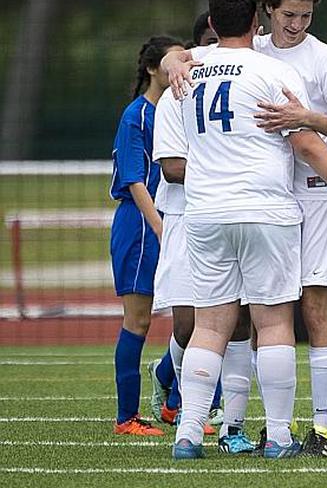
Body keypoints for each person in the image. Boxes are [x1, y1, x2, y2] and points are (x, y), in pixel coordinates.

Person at [161, 0, 327, 456]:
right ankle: (277, 435)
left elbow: (171, 63)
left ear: (210, 24)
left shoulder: (185, 74)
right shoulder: (270, 72)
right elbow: (306, 144)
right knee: (273, 322)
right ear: (257, 21)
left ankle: (189, 432)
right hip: (265, 210)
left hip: (206, 212)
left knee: (210, 324)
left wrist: (174, 59)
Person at [147, 12, 224, 440]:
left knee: (240, 319)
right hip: (184, 213)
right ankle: (171, 380)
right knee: (188, 324)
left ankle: (219, 413)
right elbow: (172, 168)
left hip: (229, 211)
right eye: (209, 43)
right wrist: (225, 170)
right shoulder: (176, 93)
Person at [110, 34, 184, 436]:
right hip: (141, 224)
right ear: (155, 68)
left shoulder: (178, 108)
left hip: (169, 220)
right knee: (137, 320)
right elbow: (135, 180)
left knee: (193, 313)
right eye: (174, 61)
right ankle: (127, 418)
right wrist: (161, 228)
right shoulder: (137, 115)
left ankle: (173, 399)